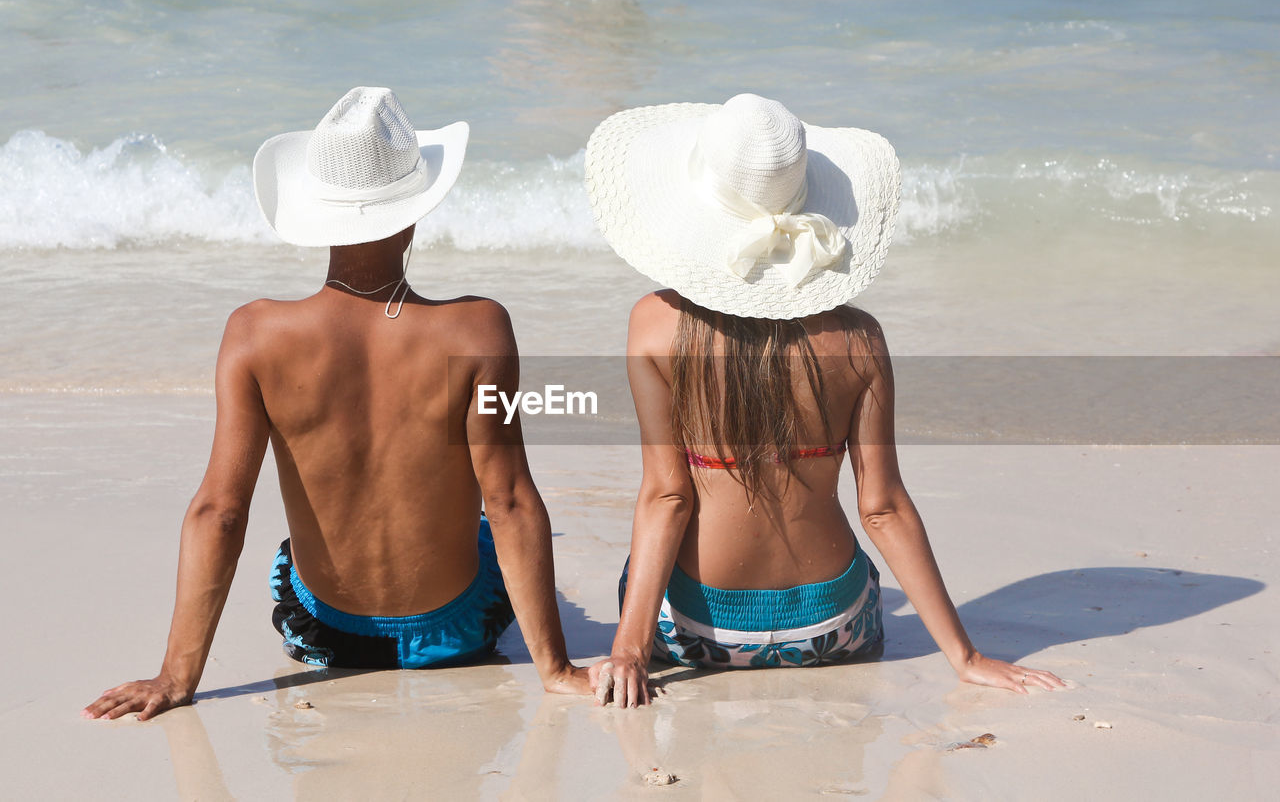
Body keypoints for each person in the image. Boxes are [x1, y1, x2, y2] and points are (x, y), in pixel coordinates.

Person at [83, 87, 589, 721]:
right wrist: (557, 669)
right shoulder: (481, 330)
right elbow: (510, 497)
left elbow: (220, 511)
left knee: (287, 546)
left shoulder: (254, 335)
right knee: (489, 528)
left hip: (325, 636)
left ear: (317, 215)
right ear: (412, 215)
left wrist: (175, 675)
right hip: (457, 635)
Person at [582, 94, 1065, 706]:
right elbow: (883, 509)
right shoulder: (859, 340)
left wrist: (629, 650)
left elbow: (667, 495)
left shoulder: (654, 326)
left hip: (697, 635)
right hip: (835, 629)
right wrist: (965, 658)